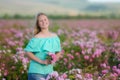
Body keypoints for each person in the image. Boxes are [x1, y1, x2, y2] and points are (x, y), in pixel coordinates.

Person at [24, 12, 63, 80]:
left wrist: (54, 59)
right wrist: (41, 61)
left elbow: (59, 52)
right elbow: (27, 52)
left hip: (49, 72)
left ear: (48, 21)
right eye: (41, 21)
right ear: (38, 24)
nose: (43, 22)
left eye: (45, 19)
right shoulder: (37, 38)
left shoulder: (55, 37)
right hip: (36, 72)